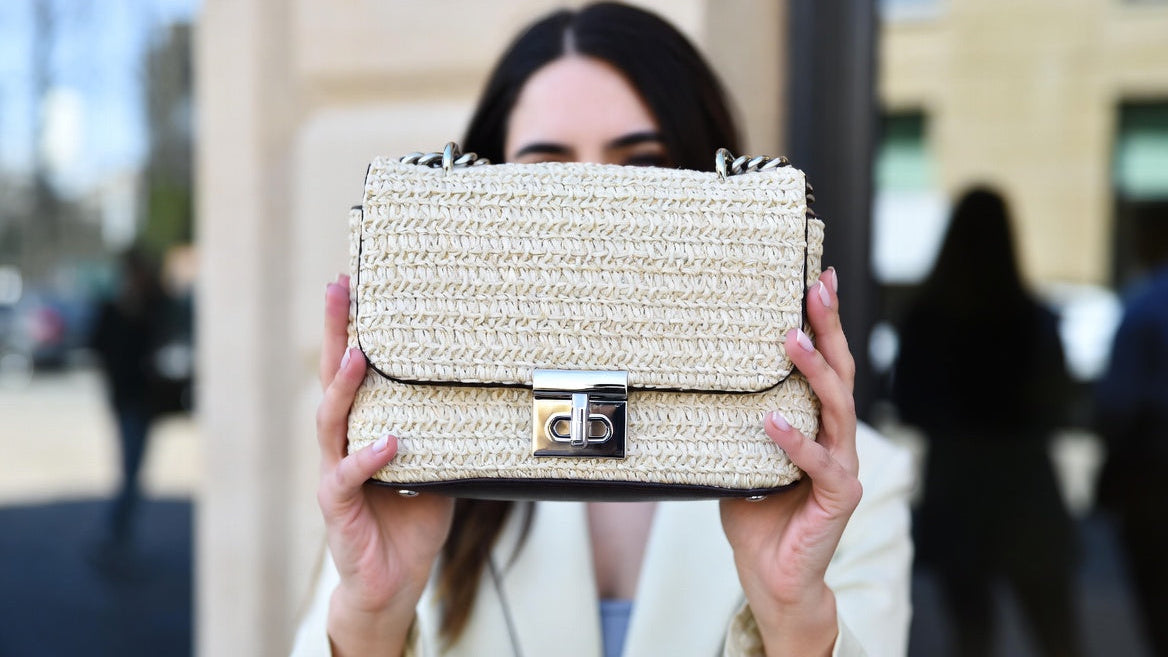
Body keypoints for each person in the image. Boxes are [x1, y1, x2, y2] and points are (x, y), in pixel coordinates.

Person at [293, 4, 914, 656]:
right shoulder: (416, 449)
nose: (594, 215)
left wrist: (793, 616)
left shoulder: (838, 483)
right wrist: (373, 612)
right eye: (547, 174)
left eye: (642, 165)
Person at [892, 188, 1080, 657]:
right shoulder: (1032, 320)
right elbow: (1058, 406)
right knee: (1053, 631)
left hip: (959, 485)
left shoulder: (927, 320)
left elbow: (907, 402)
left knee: (972, 633)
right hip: (1022, 484)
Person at [1095, 258, 1168, 657]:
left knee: (1158, 601)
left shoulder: (1147, 305)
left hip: (1154, 474)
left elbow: (1116, 403)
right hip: (1154, 468)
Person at [90, 248, 165, 563]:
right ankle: (117, 534)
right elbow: (100, 347)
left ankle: (119, 533)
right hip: (127, 400)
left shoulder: (149, 305)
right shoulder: (114, 309)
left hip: (143, 400)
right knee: (130, 473)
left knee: (134, 472)